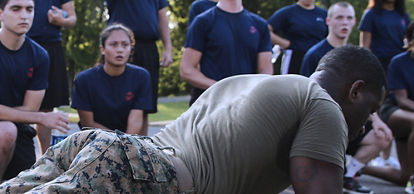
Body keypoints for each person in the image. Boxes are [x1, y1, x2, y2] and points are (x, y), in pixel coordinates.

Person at [0, 45, 386, 193]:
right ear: (354, 90)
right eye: (370, 109)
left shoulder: (254, 83)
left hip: (104, 150)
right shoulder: (325, 107)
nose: (366, 124)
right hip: (142, 170)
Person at [299, 5, 392, 194]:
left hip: (352, 121)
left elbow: (366, 96)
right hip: (324, 122)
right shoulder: (315, 54)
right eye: (339, 17)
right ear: (328, 21)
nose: (344, 22)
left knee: (382, 136)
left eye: (349, 18)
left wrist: (377, 120)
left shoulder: (359, 57)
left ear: (354, 22)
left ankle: (348, 176)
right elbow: (305, 92)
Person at [0, 0, 70, 181]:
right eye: (16, 9)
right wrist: (42, 117)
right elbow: (33, 114)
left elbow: (30, 109)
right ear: (0, 13)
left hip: (19, 131)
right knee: (6, 130)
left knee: (30, 182)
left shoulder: (39, 55)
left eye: (29, 9)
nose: (24, 15)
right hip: (8, 130)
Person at [180, 0, 273, 106]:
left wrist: (248, 91)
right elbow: (187, 70)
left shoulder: (260, 25)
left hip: (244, 105)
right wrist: (223, 88)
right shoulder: (203, 21)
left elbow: (266, 71)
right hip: (209, 104)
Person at [360, 22, 414, 193]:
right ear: (410, 40)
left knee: (402, 177)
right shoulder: (399, 62)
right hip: (394, 112)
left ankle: (357, 167)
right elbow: (402, 99)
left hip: (410, 123)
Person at [71, 24, 153, 135]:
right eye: (113, 45)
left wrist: (126, 145)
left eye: (125, 45)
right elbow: (88, 123)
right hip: (95, 141)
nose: (120, 50)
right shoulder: (84, 80)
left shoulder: (142, 76)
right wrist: (118, 141)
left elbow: (136, 120)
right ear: (102, 49)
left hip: (130, 141)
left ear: (131, 48)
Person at [106, 0, 172, 131]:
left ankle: (140, 148)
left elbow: (162, 15)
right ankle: (112, 146)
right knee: (117, 104)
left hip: (148, 47)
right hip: (121, 44)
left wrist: (168, 48)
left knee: (144, 106)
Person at [28, 0, 76, 155]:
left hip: (52, 48)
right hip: (23, 45)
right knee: (16, 104)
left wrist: (62, 20)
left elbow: (72, 18)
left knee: (47, 109)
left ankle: (45, 160)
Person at [268, 0, 327, 74]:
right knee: (290, 84)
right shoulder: (288, 12)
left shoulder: (324, 14)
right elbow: (266, 31)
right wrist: (284, 43)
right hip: (294, 58)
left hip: (318, 59)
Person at [359, 0, 410, 71]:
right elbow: (365, 47)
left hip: (400, 64)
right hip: (380, 64)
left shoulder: (403, 15)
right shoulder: (370, 14)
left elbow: (409, 41)